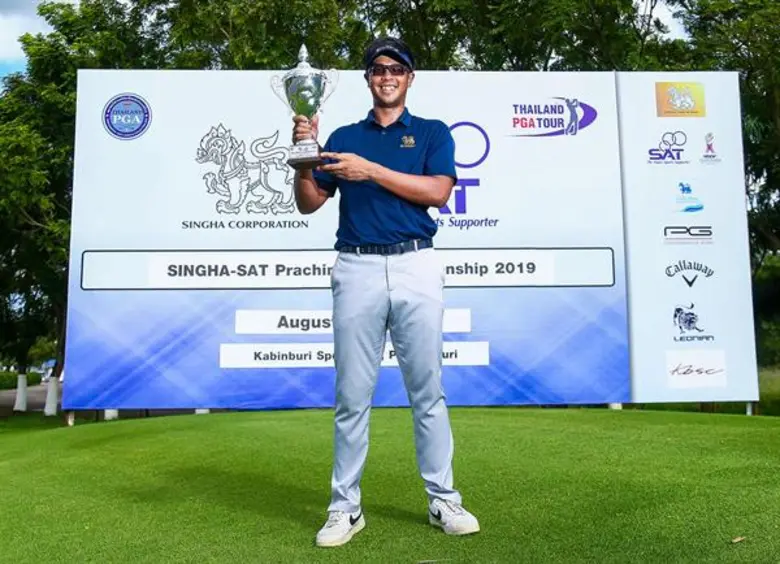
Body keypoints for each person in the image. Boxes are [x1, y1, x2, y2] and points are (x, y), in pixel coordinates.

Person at [291, 36, 480, 548]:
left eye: (396, 68)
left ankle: (444, 499)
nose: (387, 76)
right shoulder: (344, 133)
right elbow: (309, 204)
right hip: (357, 266)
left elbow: (438, 192)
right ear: (369, 78)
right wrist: (306, 156)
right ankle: (344, 508)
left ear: (410, 78)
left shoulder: (432, 133)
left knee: (428, 391)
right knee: (352, 395)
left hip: (416, 263)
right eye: (378, 68)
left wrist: (369, 169)